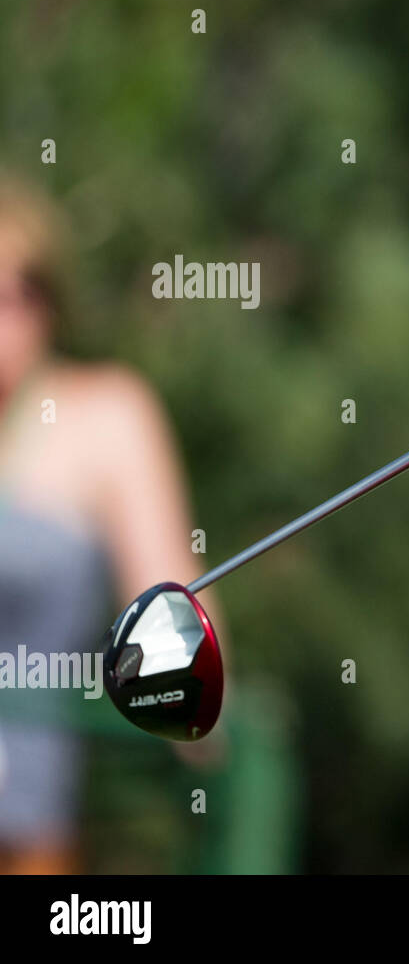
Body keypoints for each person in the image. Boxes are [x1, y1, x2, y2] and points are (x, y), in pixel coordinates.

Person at [0, 174, 225, 873]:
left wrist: (198, 718)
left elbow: (182, 632)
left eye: (22, 290)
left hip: (27, 835)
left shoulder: (108, 416)